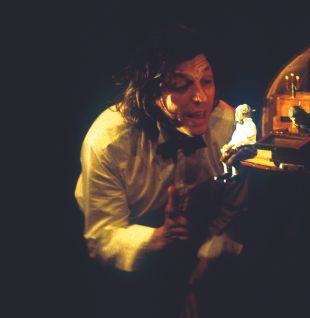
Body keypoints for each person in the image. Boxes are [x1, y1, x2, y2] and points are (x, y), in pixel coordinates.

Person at [75, 24, 247, 318]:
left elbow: (235, 207)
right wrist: (158, 238)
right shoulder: (108, 142)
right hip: (127, 283)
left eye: (206, 81)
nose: (200, 97)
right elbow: (102, 237)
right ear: (150, 91)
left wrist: (208, 252)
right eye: (181, 86)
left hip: (205, 268)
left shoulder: (228, 126)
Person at [220, 104, 258, 178]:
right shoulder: (240, 125)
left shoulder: (250, 125)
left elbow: (244, 140)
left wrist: (232, 146)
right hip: (238, 147)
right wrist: (228, 145)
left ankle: (235, 175)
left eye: (237, 113)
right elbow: (235, 138)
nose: (236, 115)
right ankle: (226, 173)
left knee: (232, 159)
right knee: (224, 157)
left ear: (244, 114)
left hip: (248, 148)